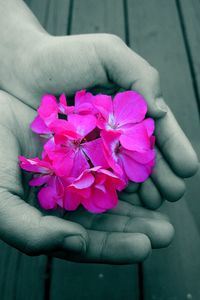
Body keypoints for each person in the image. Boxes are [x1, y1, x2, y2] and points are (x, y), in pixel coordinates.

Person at [0, 0, 198, 264]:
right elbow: (77, 142)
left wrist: (14, 42)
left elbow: (97, 140)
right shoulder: (78, 139)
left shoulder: (102, 129)